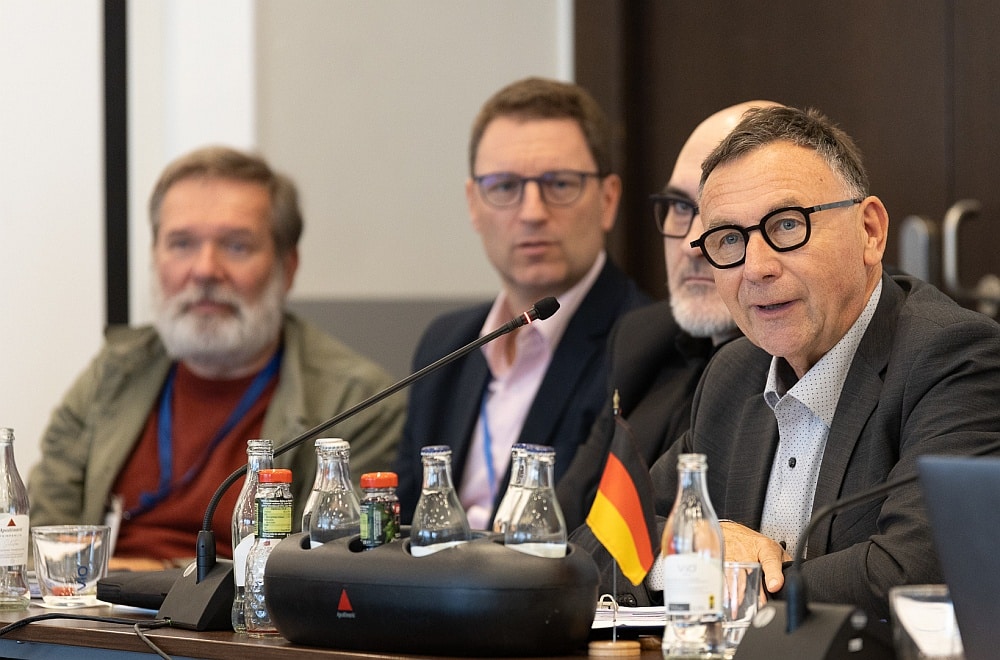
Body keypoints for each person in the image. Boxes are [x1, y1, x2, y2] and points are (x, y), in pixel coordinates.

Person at [606, 105, 1000, 620]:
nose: (756, 268)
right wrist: (696, 554)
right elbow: (606, 539)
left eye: (788, 225)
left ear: (870, 231)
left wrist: (728, 578)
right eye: (729, 239)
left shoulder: (954, 356)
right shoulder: (732, 373)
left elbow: (915, 572)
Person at [28, 146, 405, 569]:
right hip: (92, 607)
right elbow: (41, 539)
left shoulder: (359, 402)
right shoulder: (113, 371)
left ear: (288, 267)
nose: (206, 269)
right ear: (155, 258)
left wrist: (148, 578)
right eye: (182, 244)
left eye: (236, 246)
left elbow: (329, 570)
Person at [394, 77, 650, 529]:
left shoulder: (641, 348)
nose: (532, 212)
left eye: (560, 184)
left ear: (608, 200)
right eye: (505, 186)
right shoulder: (446, 345)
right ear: (474, 204)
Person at [556, 101, 779, 531]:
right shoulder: (643, 339)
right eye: (680, 207)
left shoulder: (798, 356)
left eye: (722, 218)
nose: (692, 244)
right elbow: (570, 518)